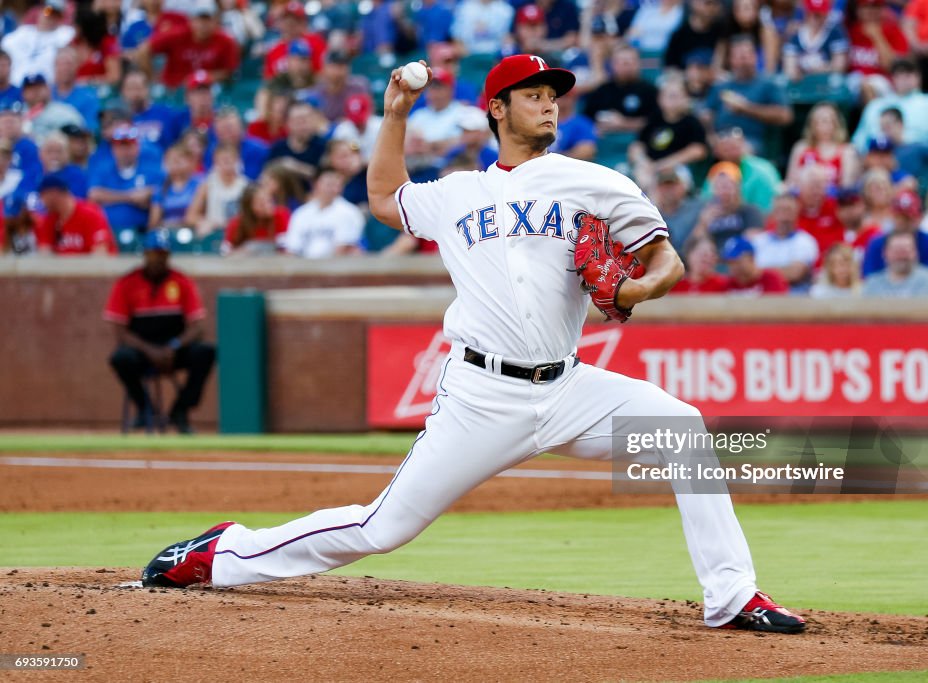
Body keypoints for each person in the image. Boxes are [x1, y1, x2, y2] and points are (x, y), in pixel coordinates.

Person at [139, 54, 808, 638]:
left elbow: (667, 262)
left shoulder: (596, 182)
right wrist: (396, 111)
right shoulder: (457, 193)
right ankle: (225, 553)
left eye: (554, 93)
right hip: (482, 395)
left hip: (570, 388)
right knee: (384, 526)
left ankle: (732, 595)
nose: (549, 102)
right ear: (497, 108)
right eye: (533, 93)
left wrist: (630, 292)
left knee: (681, 428)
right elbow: (383, 197)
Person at [103, 229, 217, 434]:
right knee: (120, 358)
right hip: (142, 349)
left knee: (206, 352)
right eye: (153, 254)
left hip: (174, 348)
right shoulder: (127, 283)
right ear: (145, 254)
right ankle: (144, 408)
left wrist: (173, 347)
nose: (158, 259)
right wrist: (150, 351)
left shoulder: (182, 281)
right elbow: (120, 332)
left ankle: (180, 410)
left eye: (163, 254)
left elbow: (197, 326)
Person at [703, 35, 793, 156]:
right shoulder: (720, 86)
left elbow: (785, 116)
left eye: (747, 55)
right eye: (739, 56)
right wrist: (710, 135)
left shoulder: (768, 84)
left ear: (755, 57)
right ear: (731, 59)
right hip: (720, 139)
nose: (744, 59)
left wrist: (745, 108)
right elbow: (707, 115)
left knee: (735, 150)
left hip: (752, 142)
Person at [629, 75, 708, 194]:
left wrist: (661, 165)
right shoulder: (654, 119)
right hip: (650, 167)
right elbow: (636, 146)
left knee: (665, 181)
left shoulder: (691, 122)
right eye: (670, 96)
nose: (674, 100)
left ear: (686, 99)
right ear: (660, 99)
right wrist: (644, 162)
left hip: (678, 168)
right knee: (641, 176)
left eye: (677, 96)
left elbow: (698, 150)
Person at [139, 0, 241, 88]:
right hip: (174, 89)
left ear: (215, 21)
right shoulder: (177, 35)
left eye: (207, 20)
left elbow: (230, 71)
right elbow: (143, 50)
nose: (203, 25)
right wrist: (152, 78)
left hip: (207, 89)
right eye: (199, 20)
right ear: (191, 20)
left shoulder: (225, 40)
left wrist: (204, 77)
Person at [87, 125, 165, 234]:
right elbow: (94, 195)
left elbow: (157, 195)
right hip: (108, 232)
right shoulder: (103, 170)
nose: (124, 150)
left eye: (128, 145)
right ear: (113, 149)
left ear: (137, 147)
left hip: (140, 231)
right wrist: (131, 196)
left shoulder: (151, 171)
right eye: (120, 146)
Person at [281, 166, 364, 257]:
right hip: (303, 268)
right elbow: (292, 248)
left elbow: (344, 249)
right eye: (329, 184)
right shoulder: (301, 213)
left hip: (337, 268)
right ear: (315, 184)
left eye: (336, 185)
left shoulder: (350, 212)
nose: (332, 189)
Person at [862, 189, 928, 277]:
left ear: (920, 218)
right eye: (899, 217)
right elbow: (869, 276)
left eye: (908, 218)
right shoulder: (877, 244)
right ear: (892, 217)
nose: (903, 223)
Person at [583, 45, 660, 135]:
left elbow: (657, 121)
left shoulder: (650, 91)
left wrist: (624, 123)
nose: (627, 66)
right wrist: (595, 127)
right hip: (605, 141)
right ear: (612, 64)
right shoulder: (602, 91)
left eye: (631, 62)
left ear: (639, 64)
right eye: (623, 62)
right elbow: (586, 119)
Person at [701, 127, 781, 213]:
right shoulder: (716, 172)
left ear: (744, 144)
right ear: (716, 151)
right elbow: (706, 203)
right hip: (719, 222)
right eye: (726, 148)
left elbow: (768, 210)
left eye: (733, 146)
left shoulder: (763, 170)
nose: (730, 149)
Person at [752, 191, 820, 290]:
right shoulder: (759, 241)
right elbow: (748, 273)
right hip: (761, 295)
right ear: (773, 213)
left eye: (788, 210)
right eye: (780, 210)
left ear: (796, 212)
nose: (784, 216)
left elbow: (794, 274)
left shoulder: (805, 241)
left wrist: (760, 272)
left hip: (794, 296)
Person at [35, 173, 116, 255]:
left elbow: (101, 255)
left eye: (42, 195)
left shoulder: (91, 214)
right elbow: (44, 255)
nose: (42, 201)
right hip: (62, 267)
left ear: (53, 194)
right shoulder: (48, 219)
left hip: (92, 267)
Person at [0, 0, 75, 86]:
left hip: (46, 90)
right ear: (40, 10)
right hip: (15, 89)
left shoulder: (65, 34)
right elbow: (4, 50)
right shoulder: (22, 33)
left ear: (61, 18)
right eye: (48, 12)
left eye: (56, 15)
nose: (51, 17)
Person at [785, 103, 859, 188]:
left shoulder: (847, 151)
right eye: (817, 121)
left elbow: (847, 186)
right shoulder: (800, 148)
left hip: (834, 199)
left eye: (825, 121)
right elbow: (790, 183)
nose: (821, 125)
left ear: (836, 123)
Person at [185, 144, 247, 237]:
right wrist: (203, 222)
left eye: (230, 159)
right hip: (214, 233)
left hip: (238, 233)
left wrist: (224, 224)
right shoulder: (207, 185)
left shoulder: (246, 186)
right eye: (223, 160)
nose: (227, 163)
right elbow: (190, 216)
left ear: (238, 161)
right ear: (216, 162)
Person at [782, 0, 849, 81]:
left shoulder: (835, 33)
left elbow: (839, 67)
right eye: (811, 12)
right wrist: (796, 72)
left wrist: (820, 69)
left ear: (826, 14)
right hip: (801, 85)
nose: (814, 17)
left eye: (818, 13)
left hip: (826, 84)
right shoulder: (795, 34)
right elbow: (789, 67)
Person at [862, 231, 928, 296]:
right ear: (885, 253)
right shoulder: (873, 284)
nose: (901, 256)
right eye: (897, 251)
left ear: (915, 253)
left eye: (905, 251)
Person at [268, 100, 328, 186]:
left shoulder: (323, 146)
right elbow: (267, 174)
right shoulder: (277, 148)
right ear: (287, 123)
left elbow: (324, 177)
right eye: (298, 120)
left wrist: (295, 167)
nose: (303, 125)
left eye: (307, 119)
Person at [223, 183, 290, 255]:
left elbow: (288, 249)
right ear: (249, 206)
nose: (268, 205)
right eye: (261, 202)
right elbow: (225, 253)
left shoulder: (281, 215)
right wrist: (247, 250)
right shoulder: (237, 223)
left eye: (269, 200)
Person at [150, 144, 203, 229]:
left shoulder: (200, 183)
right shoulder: (161, 187)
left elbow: (198, 215)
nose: (174, 162)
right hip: (167, 233)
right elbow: (153, 222)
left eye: (179, 159)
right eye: (170, 159)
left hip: (193, 232)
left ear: (191, 161)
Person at [722, 235, 789, 293]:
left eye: (737, 261)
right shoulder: (727, 284)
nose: (733, 266)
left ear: (751, 258)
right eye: (729, 262)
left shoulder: (771, 279)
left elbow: (779, 305)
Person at [38, 131, 87, 198]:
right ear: (40, 154)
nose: (54, 156)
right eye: (49, 151)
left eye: (59, 151)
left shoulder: (76, 175)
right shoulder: (34, 173)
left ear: (67, 154)